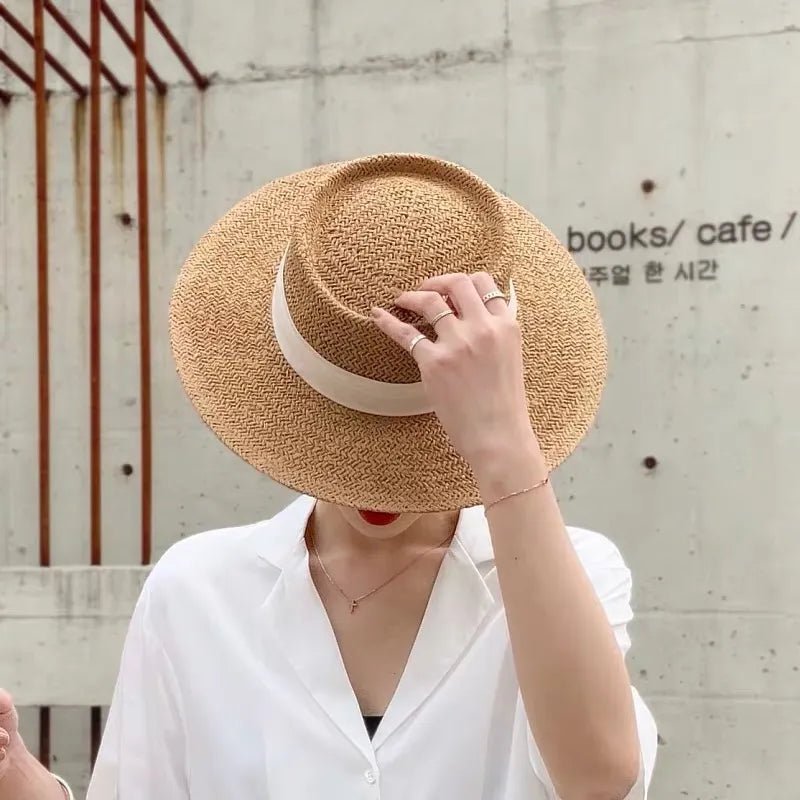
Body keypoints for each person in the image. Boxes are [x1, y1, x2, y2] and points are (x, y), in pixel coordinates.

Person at [0, 154, 657, 799]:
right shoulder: (197, 588)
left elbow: (599, 781)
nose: (375, 486)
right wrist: (24, 784)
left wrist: (507, 447)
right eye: (347, 439)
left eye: (414, 446)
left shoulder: (573, 573)